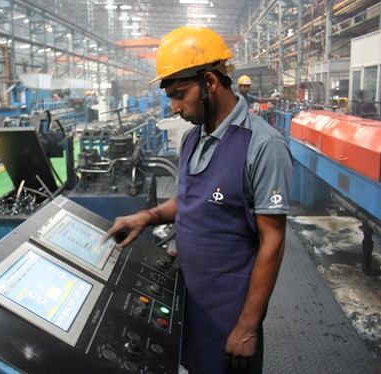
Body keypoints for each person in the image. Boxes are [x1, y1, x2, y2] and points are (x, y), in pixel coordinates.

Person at [104, 25, 293, 373]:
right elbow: (190, 199)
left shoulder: (263, 146)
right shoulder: (192, 138)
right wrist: (147, 215)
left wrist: (248, 327)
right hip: (186, 300)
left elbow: (274, 241)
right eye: (170, 97)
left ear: (209, 81)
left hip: (228, 316)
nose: (175, 107)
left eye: (180, 94)